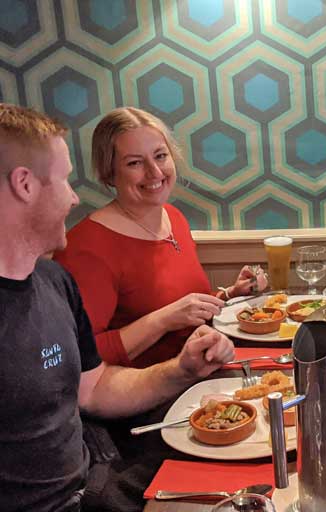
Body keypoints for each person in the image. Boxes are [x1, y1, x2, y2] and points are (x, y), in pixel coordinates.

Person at [0, 104, 237, 511]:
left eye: (160, 156)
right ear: (24, 184)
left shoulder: (53, 283)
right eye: (65, 179)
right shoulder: (86, 250)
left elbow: (93, 389)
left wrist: (182, 370)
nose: (75, 198)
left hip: (98, 482)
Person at [53, 107, 265, 368]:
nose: (154, 172)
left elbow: (178, 306)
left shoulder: (173, 217)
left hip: (200, 372)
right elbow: (77, 355)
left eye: (160, 156)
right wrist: (163, 320)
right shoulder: (86, 248)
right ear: (109, 173)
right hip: (143, 397)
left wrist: (229, 294)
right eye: (134, 163)